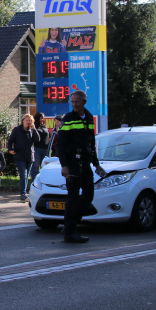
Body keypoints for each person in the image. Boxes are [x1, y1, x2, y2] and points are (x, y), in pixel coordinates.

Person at [56, 90, 106, 244]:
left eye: (77, 102)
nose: (74, 105)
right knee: (72, 197)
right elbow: (60, 144)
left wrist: (96, 164)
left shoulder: (89, 118)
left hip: (85, 163)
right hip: (72, 163)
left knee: (88, 195)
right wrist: (64, 165)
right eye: (72, 102)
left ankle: (70, 224)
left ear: (84, 101)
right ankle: (70, 233)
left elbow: (91, 144)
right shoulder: (68, 119)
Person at [8, 113, 40, 202]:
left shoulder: (32, 130)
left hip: (29, 156)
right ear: (22, 121)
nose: (28, 122)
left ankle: (25, 193)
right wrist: (10, 149)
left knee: (27, 175)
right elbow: (10, 141)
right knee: (24, 174)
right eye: (26, 120)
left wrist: (34, 129)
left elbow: (38, 140)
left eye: (30, 120)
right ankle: (23, 194)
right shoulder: (17, 130)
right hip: (19, 155)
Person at [30, 113, 50, 186]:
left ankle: (44, 184)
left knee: (44, 168)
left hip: (45, 150)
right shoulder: (34, 127)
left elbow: (48, 135)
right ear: (37, 119)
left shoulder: (44, 127)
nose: (43, 119)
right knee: (35, 168)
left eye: (43, 118)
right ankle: (35, 184)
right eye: (41, 118)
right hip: (37, 149)